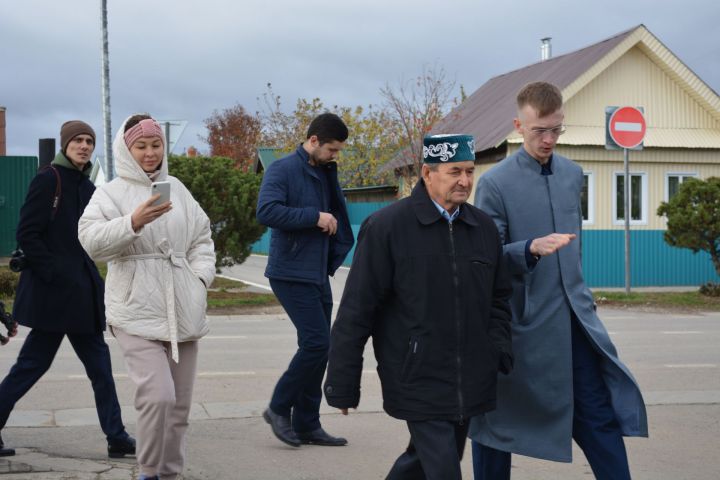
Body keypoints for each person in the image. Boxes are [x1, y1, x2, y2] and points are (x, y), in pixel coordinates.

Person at [470, 81, 648, 480]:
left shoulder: (571, 174)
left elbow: (574, 248)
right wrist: (529, 248)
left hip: (574, 321)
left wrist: (582, 296)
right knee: (496, 425)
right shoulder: (495, 183)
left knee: (597, 415)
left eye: (556, 129)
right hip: (520, 326)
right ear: (519, 125)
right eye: (539, 131)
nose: (549, 139)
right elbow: (488, 257)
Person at [324, 134, 513, 480]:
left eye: (470, 171)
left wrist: (496, 348)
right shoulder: (387, 227)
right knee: (443, 470)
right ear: (427, 173)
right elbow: (357, 309)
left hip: (468, 374)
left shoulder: (483, 229)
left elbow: (499, 298)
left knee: (423, 462)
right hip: (416, 373)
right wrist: (342, 382)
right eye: (454, 171)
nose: (465, 181)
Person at [78, 114, 215, 480]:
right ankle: (148, 471)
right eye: (141, 146)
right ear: (127, 149)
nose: (150, 153)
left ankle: (170, 473)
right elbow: (90, 240)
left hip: (183, 307)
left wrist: (200, 279)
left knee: (180, 406)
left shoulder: (178, 188)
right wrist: (132, 222)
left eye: (156, 145)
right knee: (158, 397)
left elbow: (203, 238)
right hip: (134, 310)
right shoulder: (111, 192)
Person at [0, 121, 135, 458]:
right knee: (31, 367)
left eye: (89, 141)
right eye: (78, 140)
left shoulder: (88, 187)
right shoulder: (49, 179)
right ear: (65, 145)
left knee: (101, 369)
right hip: (54, 296)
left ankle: (116, 437)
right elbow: (27, 234)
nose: (85, 145)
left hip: (82, 297)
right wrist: (55, 273)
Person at [256, 113, 355, 448]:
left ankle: (307, 424)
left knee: (319, 348)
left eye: (337, 150)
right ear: (313, 141)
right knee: (316, 343)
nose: (334, 155)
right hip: (289, 271)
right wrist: (314, 217)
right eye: (331, 149)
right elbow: (266, 211)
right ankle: (278, 407)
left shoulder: (323, 171)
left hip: (316, 271)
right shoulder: (282, 169)